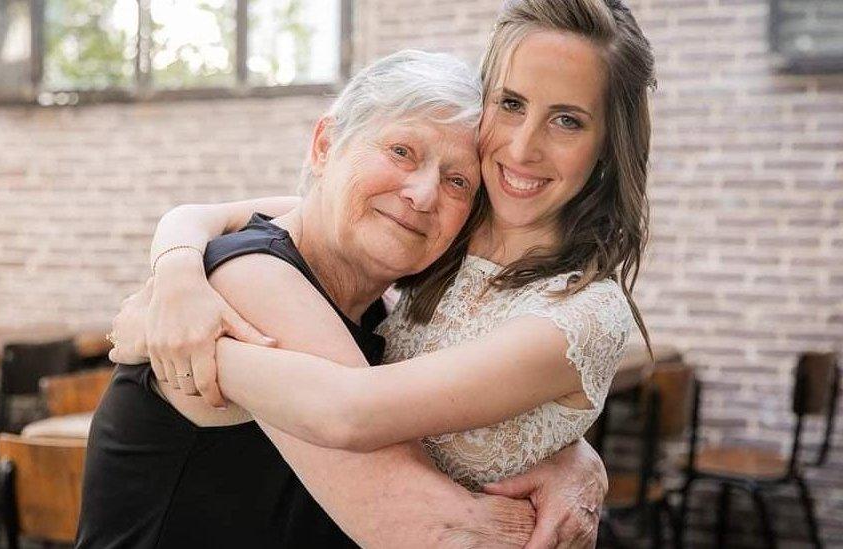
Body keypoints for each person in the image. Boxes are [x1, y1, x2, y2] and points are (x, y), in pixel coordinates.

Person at [111, 0, 656, 546]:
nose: (420, 195)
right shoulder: (253, 277)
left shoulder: (387, 293)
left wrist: (571, 454)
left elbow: (371, 410)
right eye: (400, 151)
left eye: (458, 182)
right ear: (325, 145)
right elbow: (441, 531)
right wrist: (177, 267)